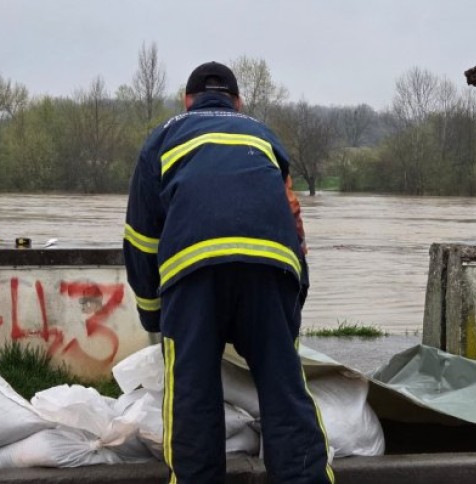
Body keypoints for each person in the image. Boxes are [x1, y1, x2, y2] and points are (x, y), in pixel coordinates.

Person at [123, 61, 333, 484]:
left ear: (187, 100)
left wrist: (154, 318)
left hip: (193, 272)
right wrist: (291, 309)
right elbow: (294, 223)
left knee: (193, 398)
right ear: (238, 103)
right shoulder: (265, 137)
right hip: (271, 267)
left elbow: (142, 240)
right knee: (284, 391)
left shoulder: (163, 138)